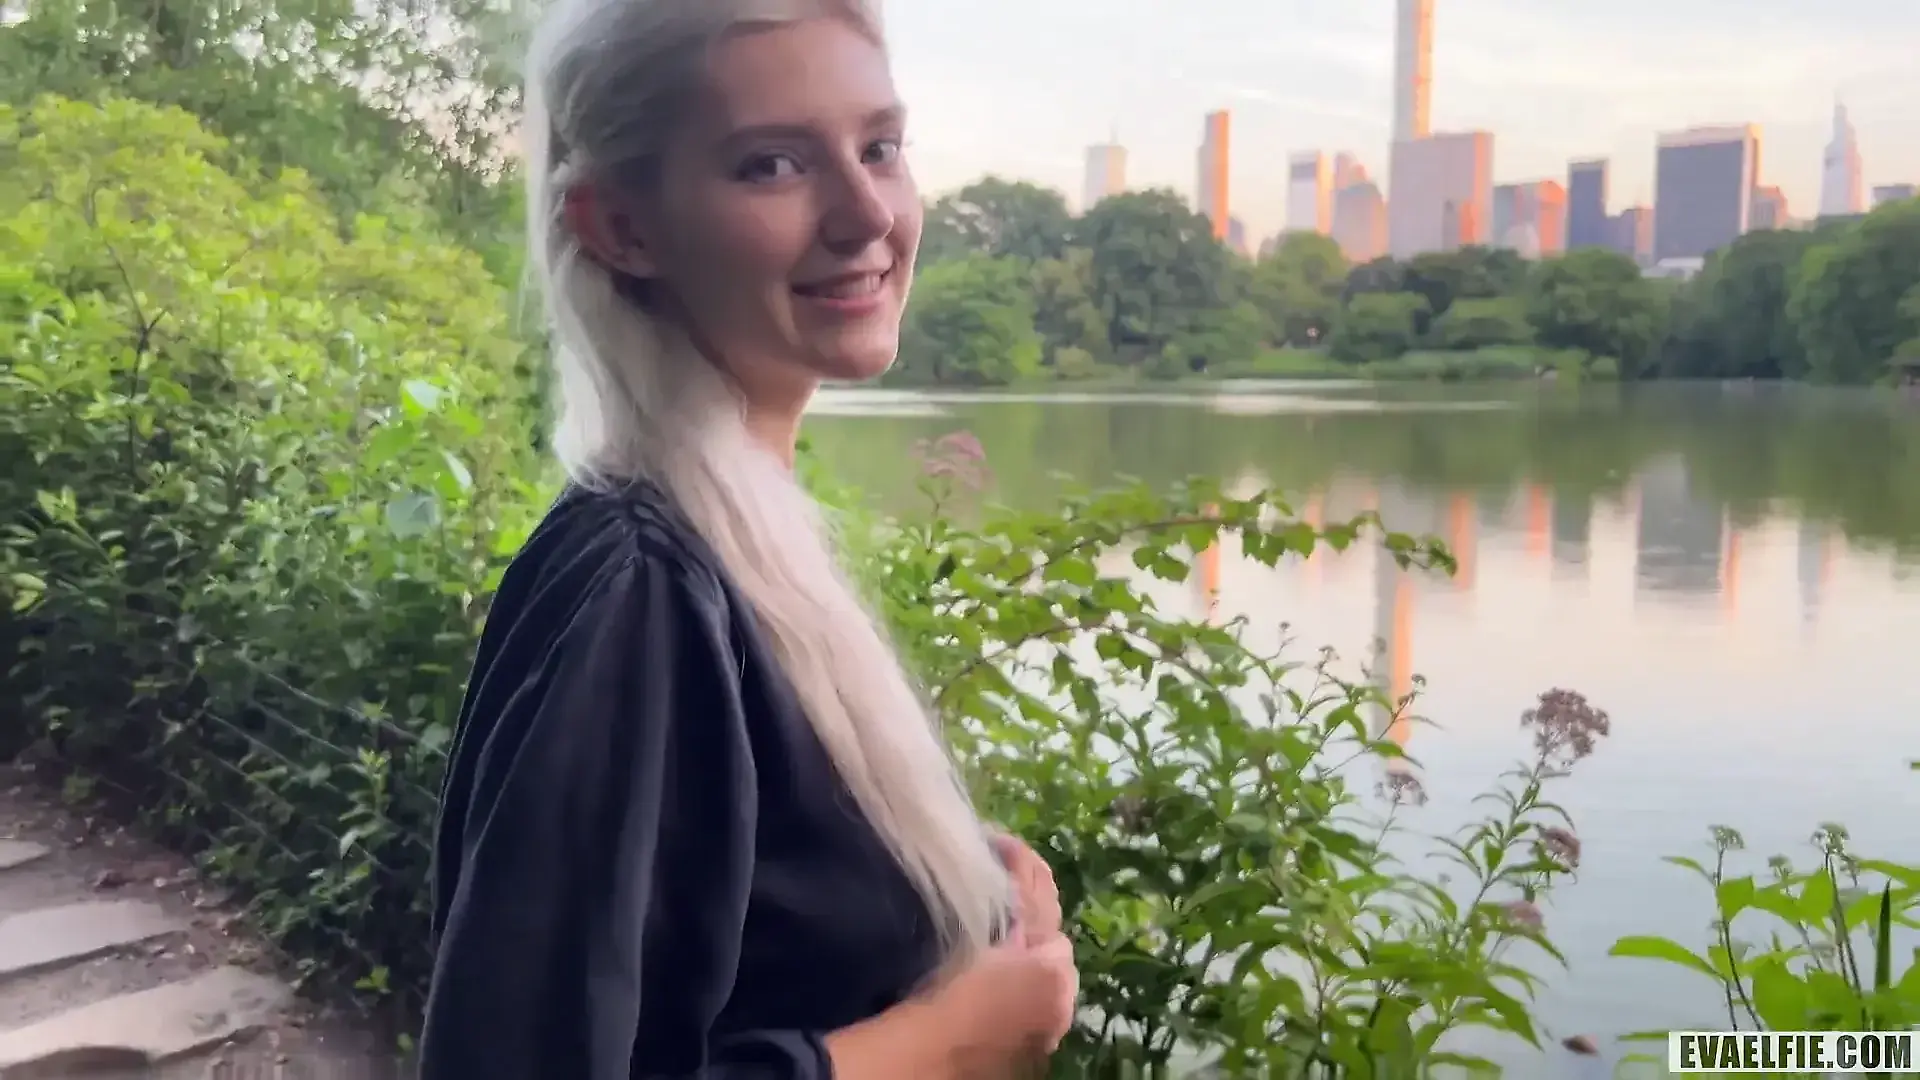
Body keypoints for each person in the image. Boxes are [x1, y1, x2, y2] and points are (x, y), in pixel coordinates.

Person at [417, 0, 1079, 1077]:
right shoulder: (638, 585)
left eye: (881, 147)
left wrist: (953, 887)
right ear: (621, 227)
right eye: (772, 164)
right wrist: (954, 1039)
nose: (867, 213)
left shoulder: (745, 540)